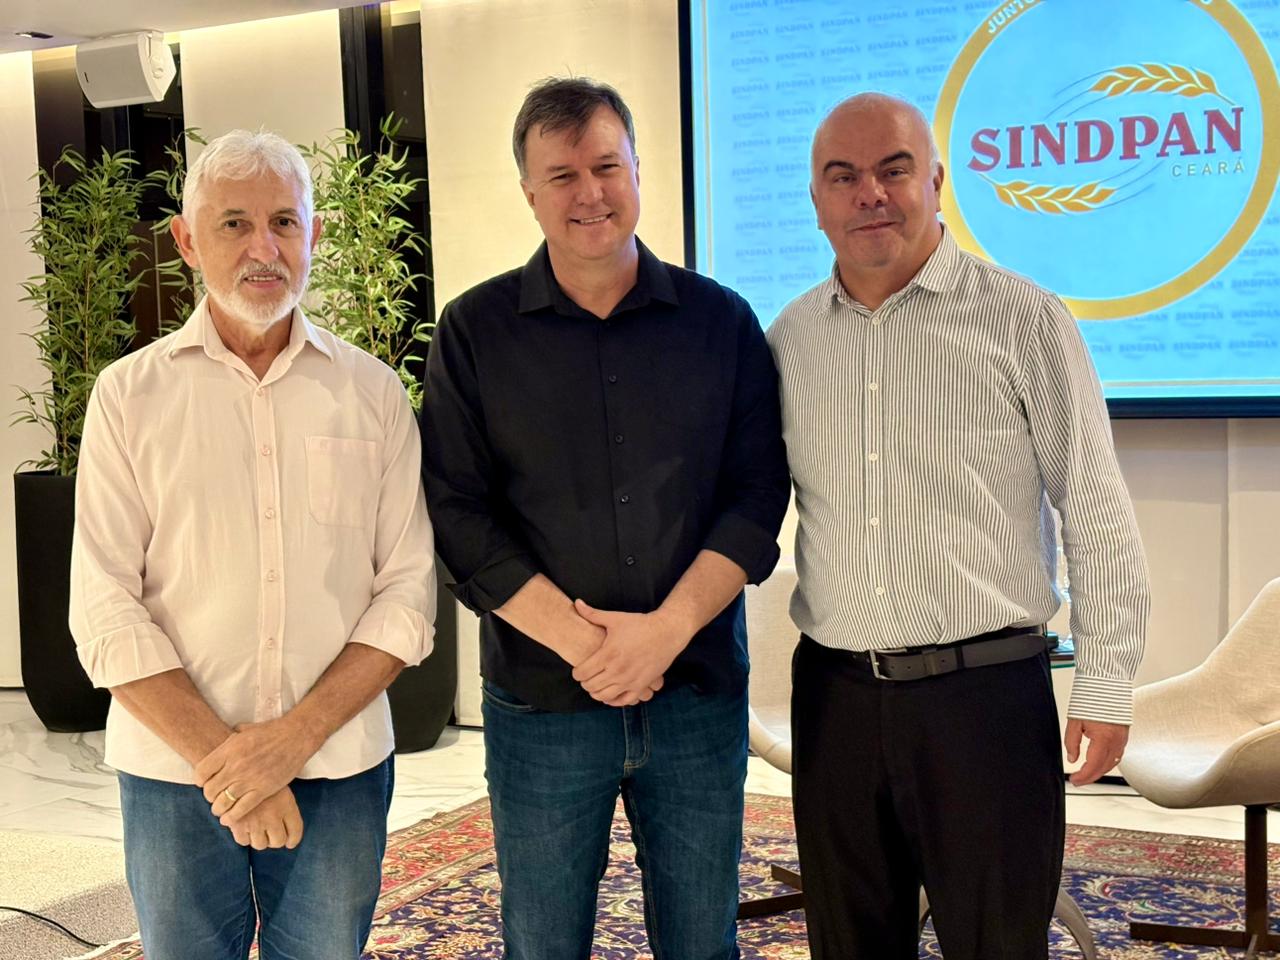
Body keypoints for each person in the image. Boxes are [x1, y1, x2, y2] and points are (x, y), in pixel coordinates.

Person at [767, 92, 1151, 960]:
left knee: (997, 944)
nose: (870, 193)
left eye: (893, 169)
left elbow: (1094, 505)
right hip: (835, 700)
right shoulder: (789, 341)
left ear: (936, 182)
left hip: (985, 702)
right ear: (817, 202)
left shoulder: (1024, 319)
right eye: (843, 176)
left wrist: (1106, 683)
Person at [420, 77, 790, 959]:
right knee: (542, 943)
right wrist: (591, 647)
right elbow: (458, 514)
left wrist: (662, 634)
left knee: (702, 942)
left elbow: (756, 498)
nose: (589, 192)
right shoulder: (473, 332)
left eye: (605, 166)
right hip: (542, 701)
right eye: (562, 175)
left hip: (695, 692)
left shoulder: (721, 322)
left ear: (636, 170)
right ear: (529, 191)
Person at [69, 129, 436, 960]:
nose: (263, 248)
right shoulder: (128, 396)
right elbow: (104, 606)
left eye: (284, 222)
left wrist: (288, 744)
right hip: (174, 773)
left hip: (337, 764)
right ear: (186, 239)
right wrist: (231, 766)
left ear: (315, 234)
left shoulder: (373, 394)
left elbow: (407, 595)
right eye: (234, 223)